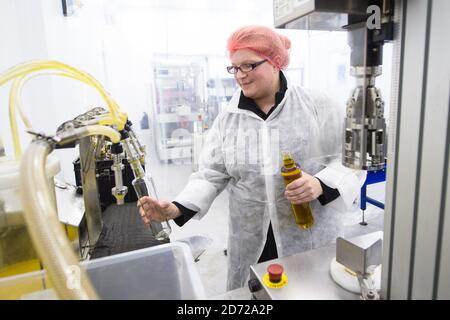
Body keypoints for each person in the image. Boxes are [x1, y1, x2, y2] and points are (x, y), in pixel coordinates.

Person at [138, 25, 366, 291]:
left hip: (307, 237)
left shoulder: (317, 105)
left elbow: (352, 158)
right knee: (252, 297)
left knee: (307, 292)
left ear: (275, 62)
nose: (240, 76)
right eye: (234, 68)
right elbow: (211, 173)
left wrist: (320, 184)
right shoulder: (229, 118)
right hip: (250, 241)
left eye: (248, 66)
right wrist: (176, 207)